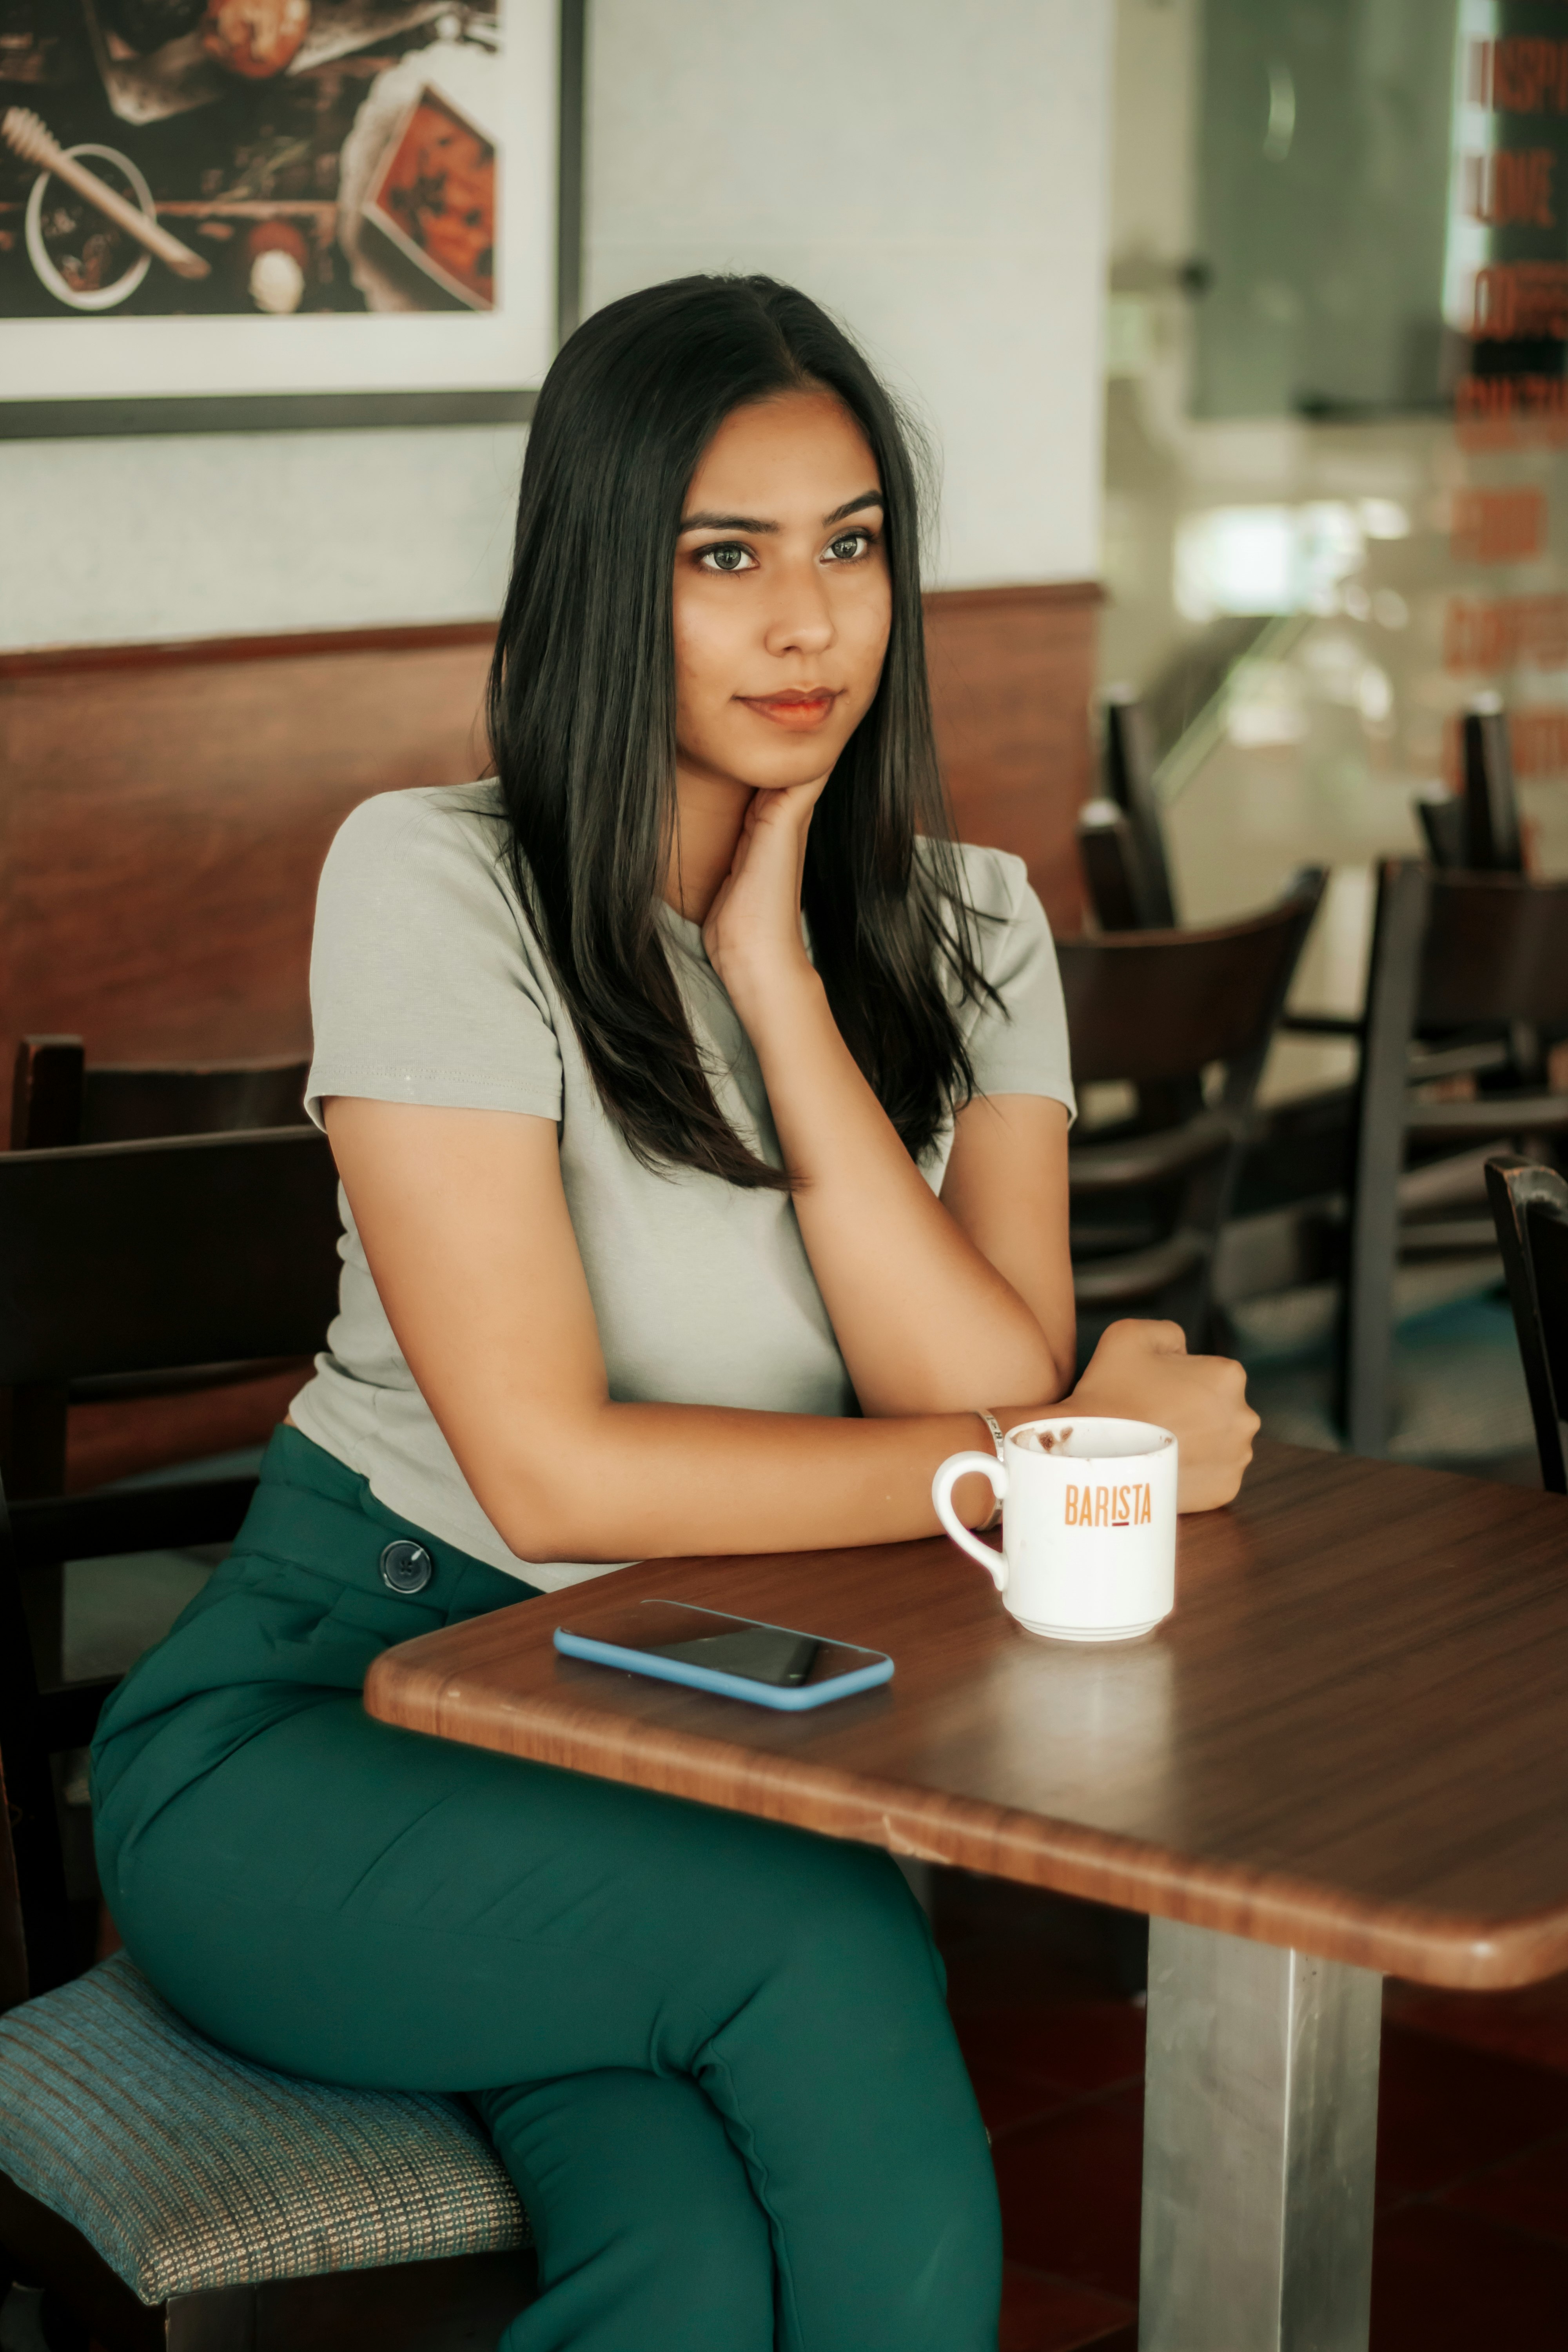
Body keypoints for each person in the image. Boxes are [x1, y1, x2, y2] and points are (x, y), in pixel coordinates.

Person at [92, 275, 1256, 2352]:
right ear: (602, 579)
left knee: (690, 2269)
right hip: (339, 1720)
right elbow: (552, 1466)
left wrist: (783, 982)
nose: (808, 623)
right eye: (725, 557)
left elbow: (977, 1372)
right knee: (825, 1947)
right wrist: (1075, 1459)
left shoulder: (972, 923)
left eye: (852, 544)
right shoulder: (433, 885)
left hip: (693, 1742)